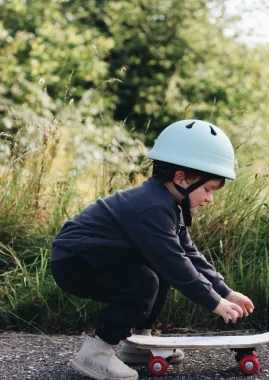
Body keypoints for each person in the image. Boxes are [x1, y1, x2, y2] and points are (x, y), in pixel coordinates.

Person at [50, 119, 254, 380]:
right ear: (181, 178)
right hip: (76, 262)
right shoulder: (152, 208)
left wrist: (225, 291)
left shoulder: (167, 204)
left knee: (156, 272)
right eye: (207, 189)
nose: (209, 198)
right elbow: (176, 264)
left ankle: (138, 343)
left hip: (97, 258)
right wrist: (213, 301)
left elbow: (188, 254)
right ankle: (96, 351)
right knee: (144, 281)